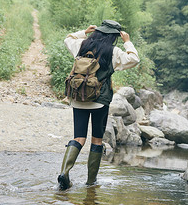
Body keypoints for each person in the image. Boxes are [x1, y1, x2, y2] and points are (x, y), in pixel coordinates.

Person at [58, 20, 140, 190]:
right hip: (99, 101)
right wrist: (127, 42)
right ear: (114, 36)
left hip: (78, 98)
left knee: (78, 138)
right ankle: (90, 182)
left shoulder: (82, 44)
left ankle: (64, 173)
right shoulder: (114, 51)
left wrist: (84, 32)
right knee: (96, 139)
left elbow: (68, 39)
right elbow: (134, 59)